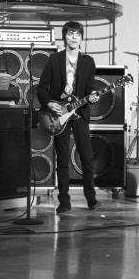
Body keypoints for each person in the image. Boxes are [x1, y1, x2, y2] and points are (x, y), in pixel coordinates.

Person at [38, 21, 100, 212]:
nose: (74, 37)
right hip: (59, 115)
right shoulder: (54, 60)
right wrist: (49, 103)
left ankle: (91, 198)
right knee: (62, 159)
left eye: (77, 34)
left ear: (81, 38)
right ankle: (64, 202)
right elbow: (41, 87)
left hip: (79, 113)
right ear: (64, 36)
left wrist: (93, 98)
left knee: (87, 158)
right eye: (70, 33)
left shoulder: (88, 62)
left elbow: (89, 91)